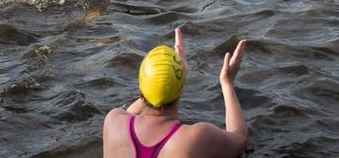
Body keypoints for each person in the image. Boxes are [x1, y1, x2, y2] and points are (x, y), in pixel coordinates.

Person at [103, 28, 248, 158]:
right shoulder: (196, 138)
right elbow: (239, 139)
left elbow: (131, 113)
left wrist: (165, 80)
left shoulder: (113, 121)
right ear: (181, 87)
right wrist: (227, 82)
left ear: (141, 84)